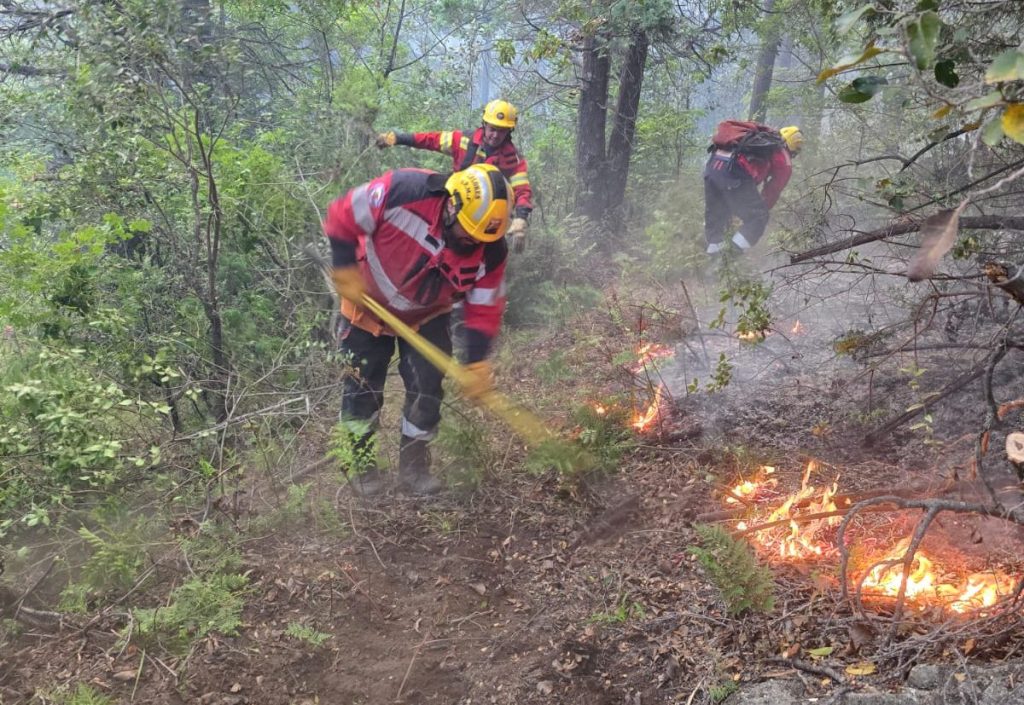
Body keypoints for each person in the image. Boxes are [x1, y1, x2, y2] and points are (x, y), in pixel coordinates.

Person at [323, 163, 511, 497]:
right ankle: (362, 467)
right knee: (360, 393)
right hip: (365, 307)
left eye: (480, 237)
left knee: (428, 390)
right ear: (452, 205)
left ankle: (414, 468)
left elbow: (483, 307)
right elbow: (342, 214)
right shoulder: (402, 192)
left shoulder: (491, 249)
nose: (472, 243)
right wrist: (344, 267)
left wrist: (477, 362)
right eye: (468, 232)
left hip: (427, 316)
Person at [374, 99, 533, 253]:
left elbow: (522, 191)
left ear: (509, 131)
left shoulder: (513, 160)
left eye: (502, 130)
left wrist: (521, 218)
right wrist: (397, 138)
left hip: (483, 218)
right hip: (453, 199)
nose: (495, 135)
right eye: (492, 128)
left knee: (496, 253)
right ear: (484, 124)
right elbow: (431, 140)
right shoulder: (463, 140)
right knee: (420, 188)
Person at [703, 122, 803, 254]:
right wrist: (758, 211)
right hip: (734, 174)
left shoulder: (753, 139)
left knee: (719, 218)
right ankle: (730, 256)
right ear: (793, 149)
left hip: (712, 170)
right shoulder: (783, 157)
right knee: (759, 217)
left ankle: (712, 263)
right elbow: (772, 191)